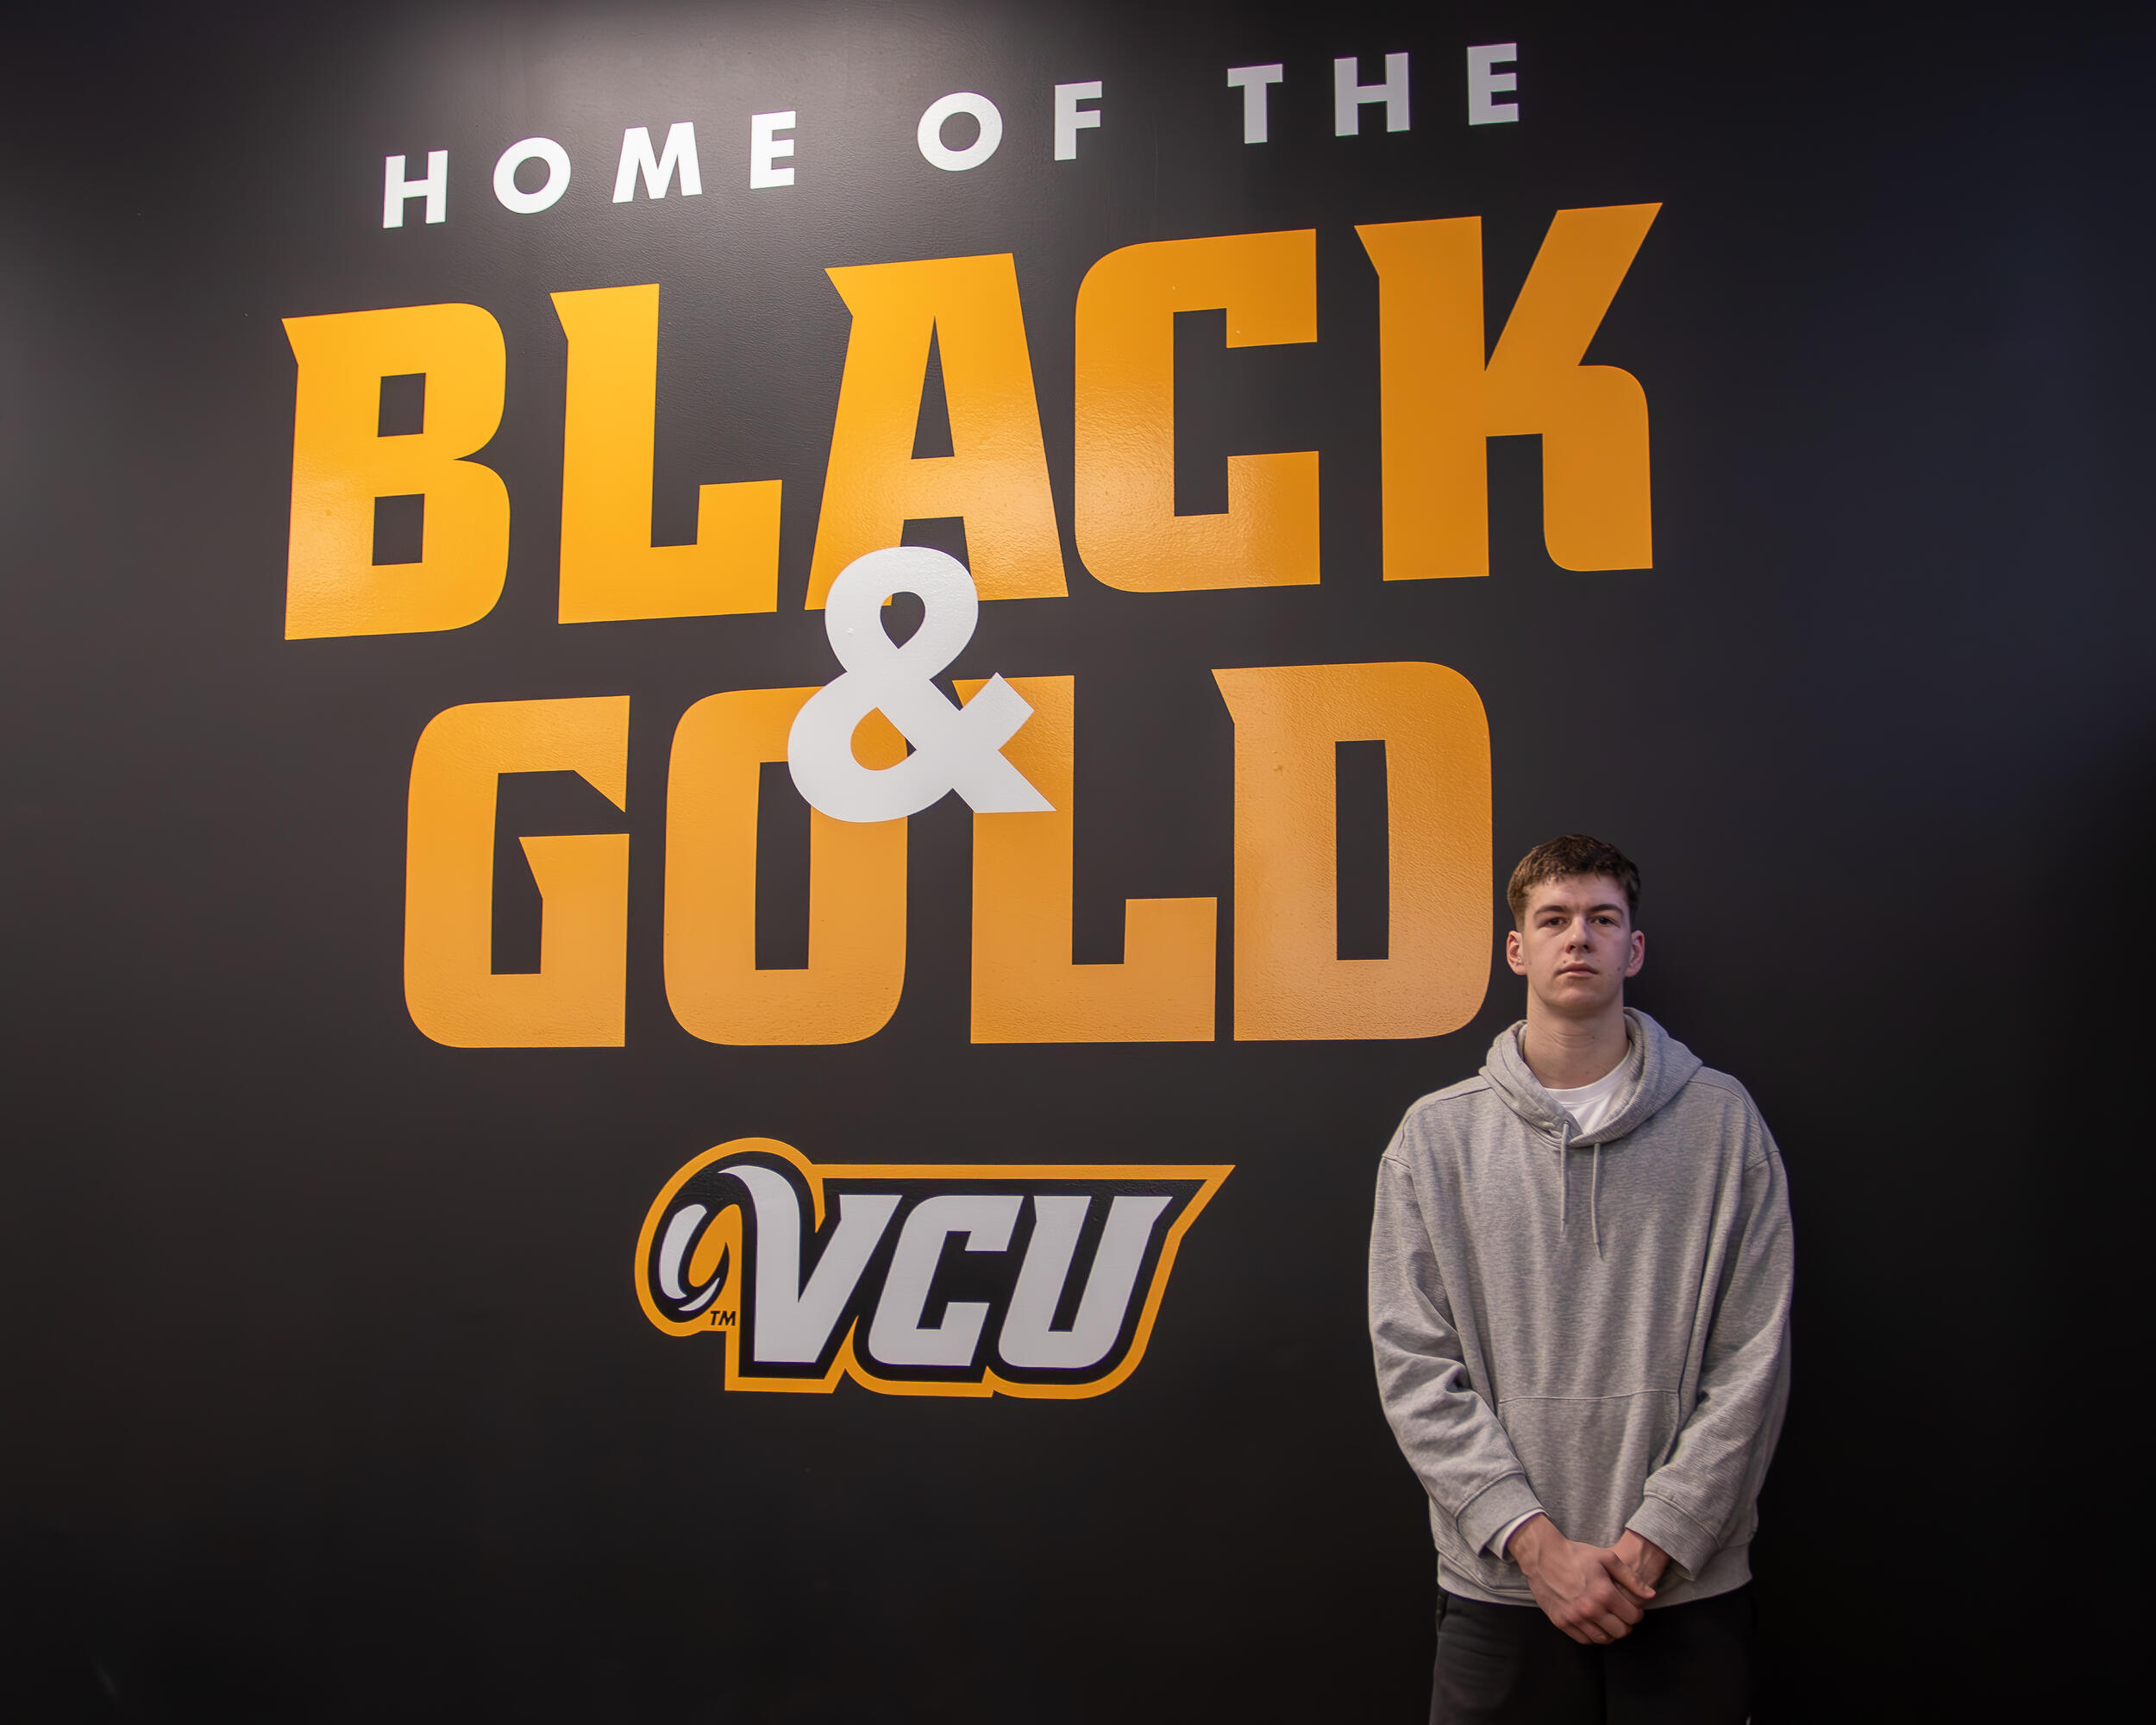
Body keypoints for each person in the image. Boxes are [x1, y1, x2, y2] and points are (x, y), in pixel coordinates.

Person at [1369, 835, 1793, 1724]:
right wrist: (1534, 1544)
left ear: (1632, 949)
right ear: (1516, 948)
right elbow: (1413, 1364)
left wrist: (1658, 1539)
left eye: (1602, 919)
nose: (1578, 938)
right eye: (1554, 919)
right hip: (1498, 1587)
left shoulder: (1723, 1123)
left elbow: (1754, 1360)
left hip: (1684, 1590)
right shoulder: (1434, 1138)